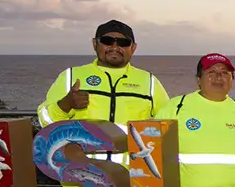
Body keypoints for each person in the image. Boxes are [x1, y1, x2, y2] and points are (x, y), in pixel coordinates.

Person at [37, 19, 170, 165]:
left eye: (123, 43)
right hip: (81, 175)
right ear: (95, 43)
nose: (115, 47)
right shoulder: (71, 76)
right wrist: (65, 105)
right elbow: (46, 122)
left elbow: (167, 126)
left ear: (133, 48)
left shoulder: (149, 82)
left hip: (134, 176)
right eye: (107, 41)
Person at [155, 54, 235, 187]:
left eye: (224, 73)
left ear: (232, 79)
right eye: (211, 72)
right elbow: (153, 150)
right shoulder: (175, 107)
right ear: (198, 79)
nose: (218, 77)